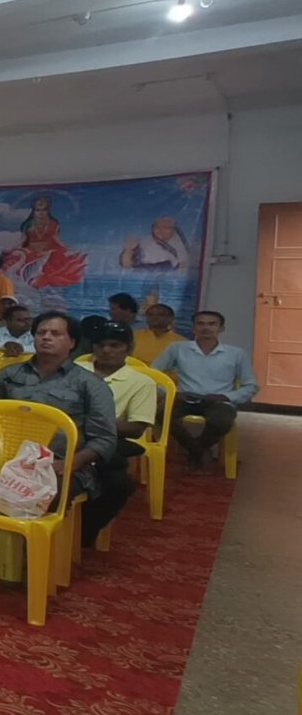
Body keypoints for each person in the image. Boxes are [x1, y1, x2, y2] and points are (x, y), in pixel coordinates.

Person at [0, 312, 121, 546]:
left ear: (72, 342)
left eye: (55, 334)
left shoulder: (90, 384)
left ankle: (32, 551)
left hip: (60, 464)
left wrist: (70, 464)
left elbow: (104, 438)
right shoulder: (9, 375)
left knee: (42, 498)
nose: (46, 337)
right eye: (41, 333)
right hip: (6, 457)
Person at [153, 309, 257, 472]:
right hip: (185, 397)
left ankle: (195, 452)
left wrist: (226, 396)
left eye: (212, 324)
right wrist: (171, 393)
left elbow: (251, 386)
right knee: (161, 414)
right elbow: (153, 374)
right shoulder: (177, 348)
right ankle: (199, 452)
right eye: (200, 324)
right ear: (194, 328)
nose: (206, 328)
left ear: (221, 328)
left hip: (219, 400)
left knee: (221, 422)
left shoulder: (236, 354)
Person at [86, 323, 156, 520]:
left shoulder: (142, 382)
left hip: (105, 439)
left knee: (118, 484)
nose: (106, 350)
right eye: (100, 345)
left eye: (114, 345)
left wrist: (87, 426)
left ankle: (86, 530)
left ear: (129, 348)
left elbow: (136, 428)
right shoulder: (74, 370)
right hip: (61, 436)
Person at [121, 215, 191, 270]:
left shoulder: (181, 243)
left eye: (166, 227)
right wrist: (128, 250)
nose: (161, 230)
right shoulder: (142, 243)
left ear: (174, 230)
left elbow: (186, 263)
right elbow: (127, 264)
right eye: (157, 227)